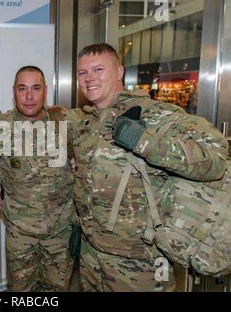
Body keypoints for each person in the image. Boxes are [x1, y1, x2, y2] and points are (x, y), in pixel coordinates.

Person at [72, 43, 229, 292]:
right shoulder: (85, 125)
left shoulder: (157, 115)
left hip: (142, 262)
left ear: (120, 72)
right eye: (82, 73)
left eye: (98, 69)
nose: (89, 78)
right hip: (92, 257)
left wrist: (145, 141)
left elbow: (216, 160)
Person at [0, 66, 83, 291]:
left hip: (61, 233)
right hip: (20, 234)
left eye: (36, 88)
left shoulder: (65, 120)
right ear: (14, 92)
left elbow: (94, 150)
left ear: (45, 91)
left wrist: (81, 164)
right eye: (22, 89)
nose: (29, 96)